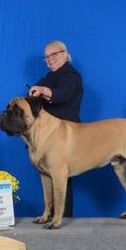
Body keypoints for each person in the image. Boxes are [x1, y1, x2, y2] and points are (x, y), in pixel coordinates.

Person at [28, 40, 83, 217]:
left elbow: (63, 94)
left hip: (64, 136)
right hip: (46, 137)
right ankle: (48, 213)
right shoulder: (49, 77)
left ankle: (62, 217)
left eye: (54, 54)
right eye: (46, 56)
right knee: (48, 176)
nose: (50, 59)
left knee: (61, 178)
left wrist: (43, 90)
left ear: (65, 54)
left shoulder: (70, 75)